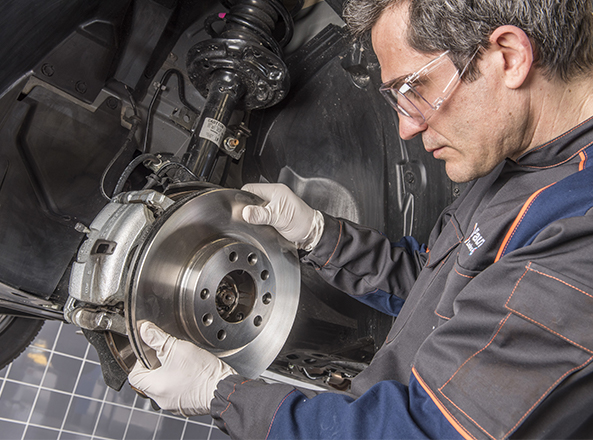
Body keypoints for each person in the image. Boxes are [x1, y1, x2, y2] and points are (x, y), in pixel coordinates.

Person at [129, 0, 593, 438]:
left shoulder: (579, 240)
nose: (406, 127)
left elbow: (418, 434)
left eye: (413, 89)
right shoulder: (520, 162)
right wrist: (318, 236)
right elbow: (434, 286)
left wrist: (222, 393)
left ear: (509, 57)